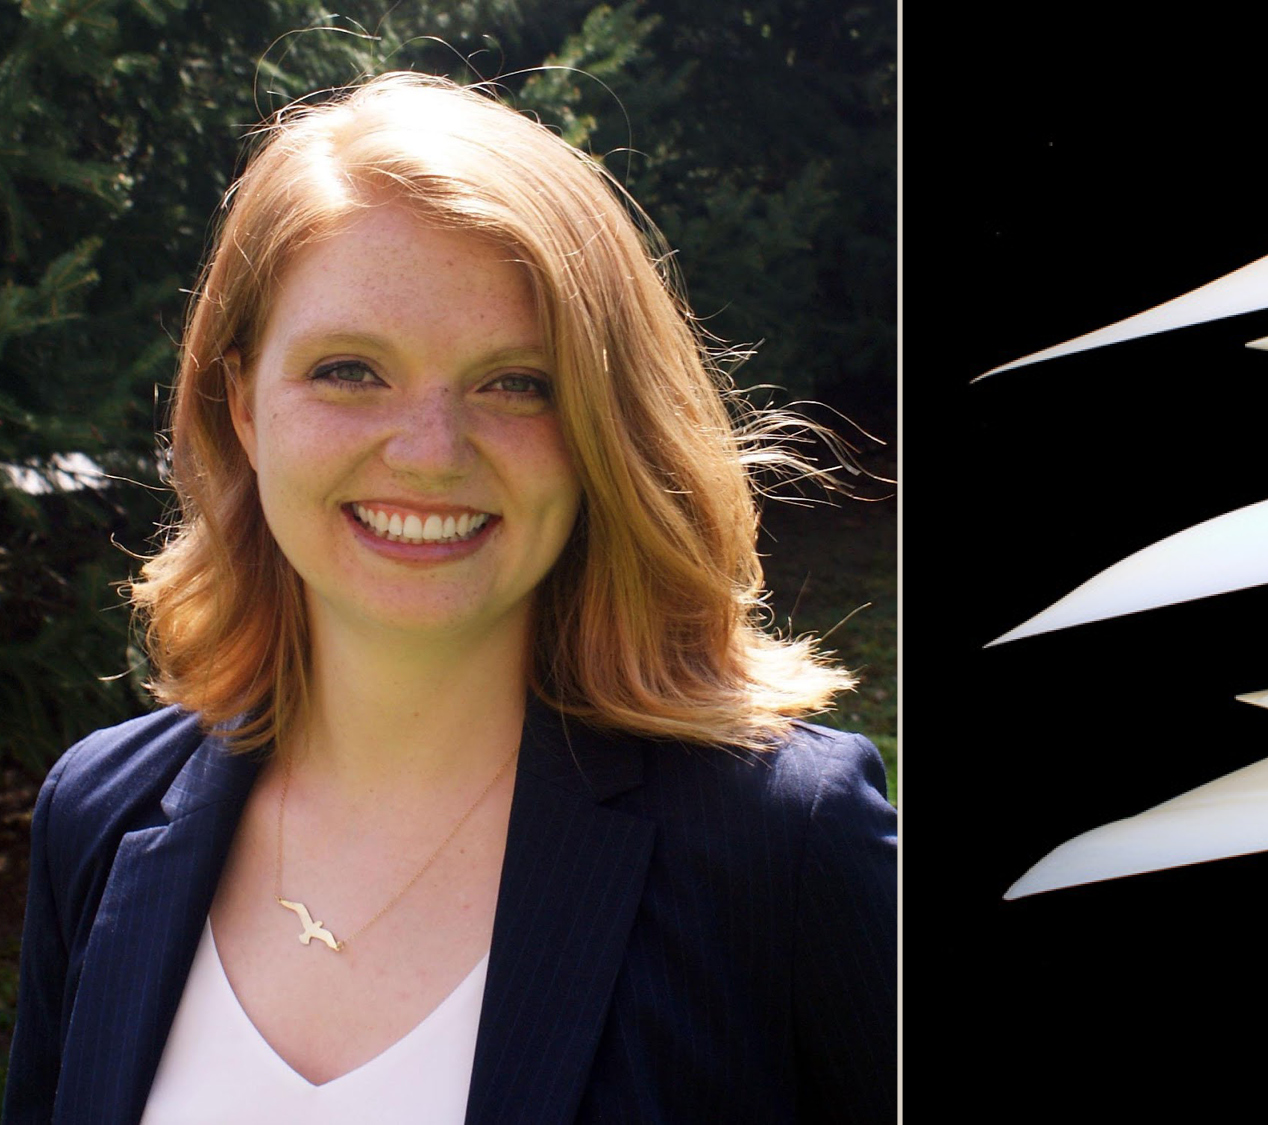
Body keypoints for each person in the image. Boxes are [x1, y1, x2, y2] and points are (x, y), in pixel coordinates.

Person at [3, 72, 895, 1124]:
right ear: (241, 405)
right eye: (348, 370)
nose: (430, 454)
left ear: (604, 425)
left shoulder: (780, 845)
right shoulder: (98, 816)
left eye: (517, 382)